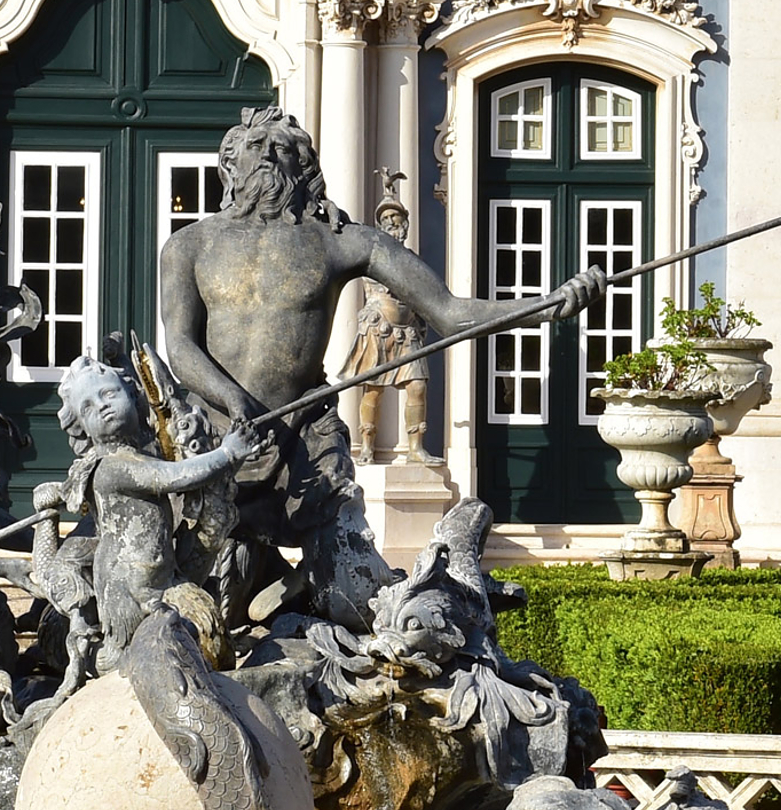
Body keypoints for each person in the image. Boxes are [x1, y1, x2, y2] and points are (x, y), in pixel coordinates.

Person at [158, 108, 602, 630]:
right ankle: (277, 584)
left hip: (305, 443)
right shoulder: (188, 245)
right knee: (202, 610)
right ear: (229, 164)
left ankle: (448, 597)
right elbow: (181, 348)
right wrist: (234, 401)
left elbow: (448, 312)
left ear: (305, 168)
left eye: (285, 150)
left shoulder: (343, 240)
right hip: (217, 442)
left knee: (359, 602)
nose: (271, 158)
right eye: (258, 146)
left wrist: (549, 305)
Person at [56, 353, 263, 669]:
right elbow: (172, 476)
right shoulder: (111, 468)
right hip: (132, 592)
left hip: (161, 576)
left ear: (132, 395)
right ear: (82, 428)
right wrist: (227, 453)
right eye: (88, 408)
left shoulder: (136, 454)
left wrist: (229, 459)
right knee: (158, 654)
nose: (101, 406)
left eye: (108, 394)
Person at [341, 174, 437, 465]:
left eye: (398, 220)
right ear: (381, 226)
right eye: (389, 220)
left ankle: (415, 447)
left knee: (418, 386)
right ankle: (367, 446)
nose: (395, 225)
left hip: (407, 332)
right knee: (373, 390)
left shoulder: (411, 259)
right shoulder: (375, 258)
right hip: (379, 329)